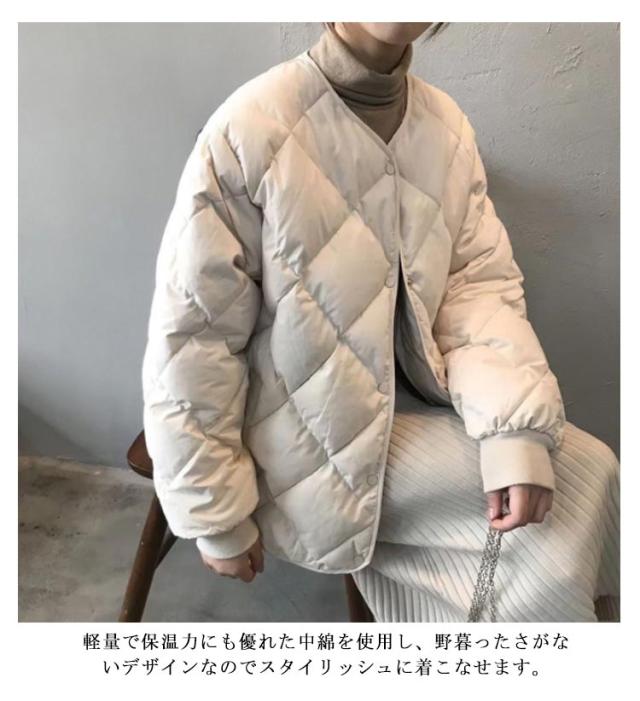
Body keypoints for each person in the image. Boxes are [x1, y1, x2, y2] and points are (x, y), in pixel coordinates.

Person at [141, 22, 620, 622]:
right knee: (555, 530)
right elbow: (196, 339)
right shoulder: (249, 128)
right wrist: (214, 514)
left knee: (591, 472)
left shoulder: (446, 127)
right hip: (294, 430)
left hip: (418, 403)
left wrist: (512, 430)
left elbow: (476, 290)